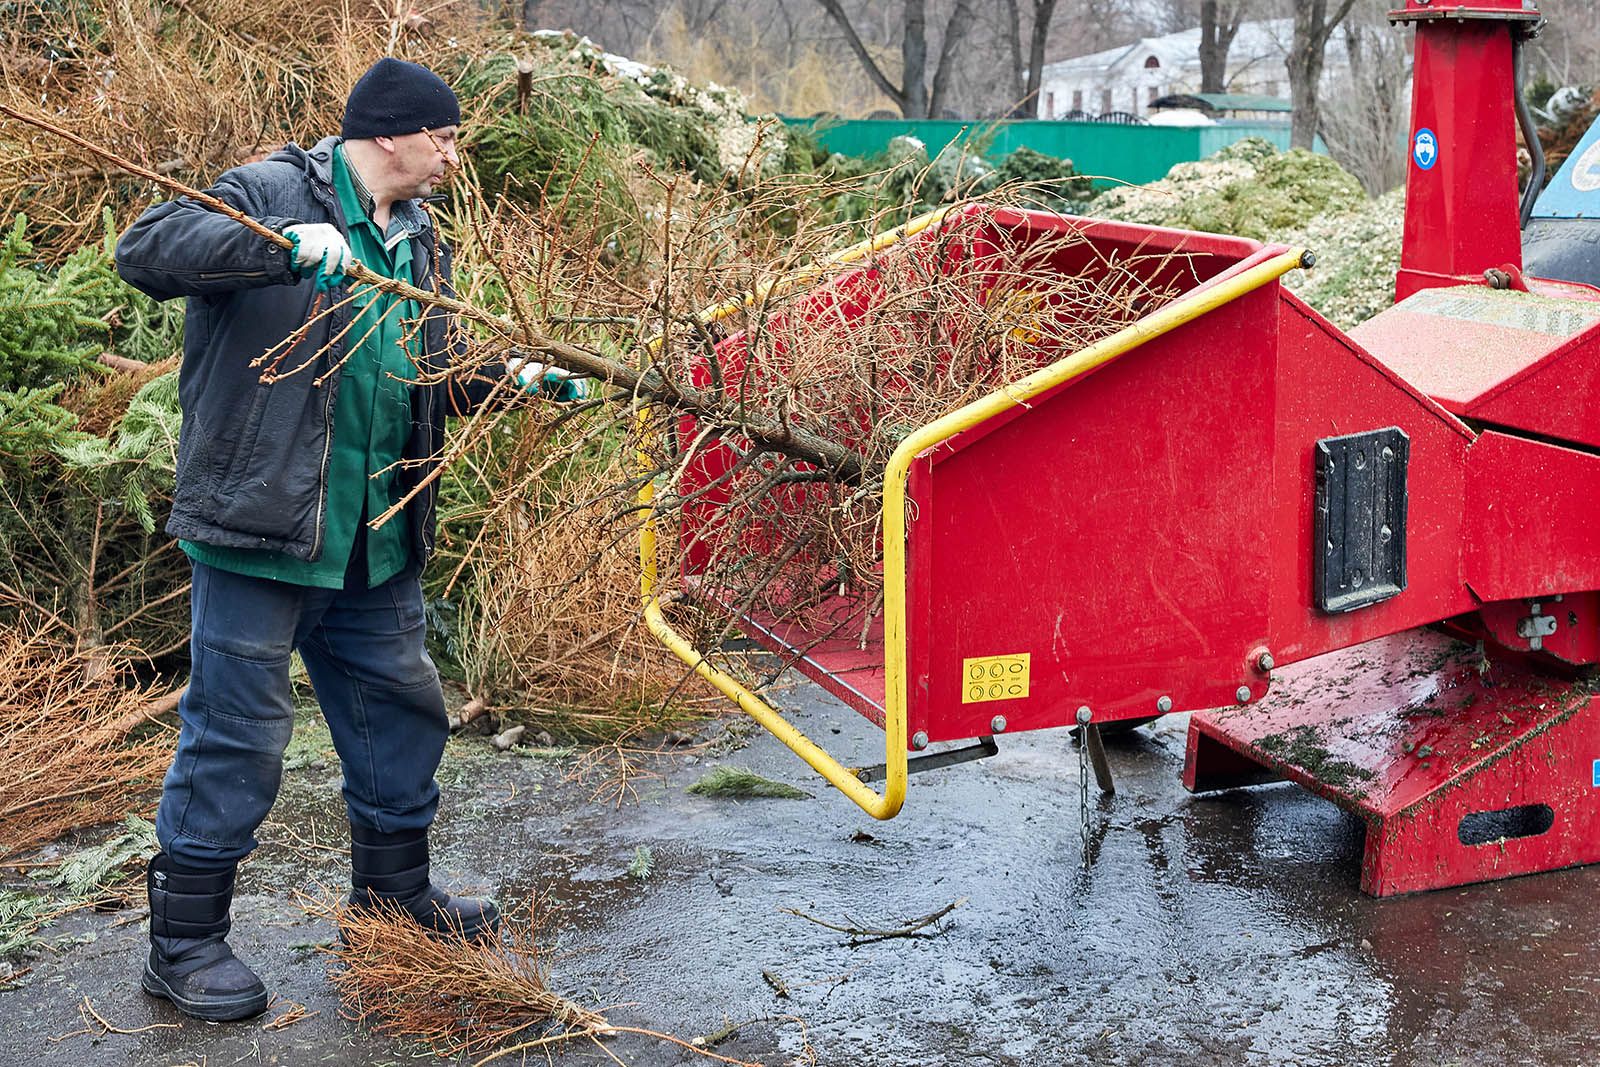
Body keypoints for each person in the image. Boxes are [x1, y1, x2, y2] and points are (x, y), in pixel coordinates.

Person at [115, 57, 537, 1022]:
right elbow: (146, 249)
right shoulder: (272, 192)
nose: (451, 154)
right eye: (444, 137)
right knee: (239, 735)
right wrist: (275, 247)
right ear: (390, 134)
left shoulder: (416, 236)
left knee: (401, 713)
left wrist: (507, 373)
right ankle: (182, 942)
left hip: (372, 535)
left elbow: (421, 361)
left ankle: (393, 901)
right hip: (262, 530)